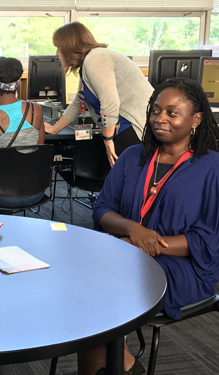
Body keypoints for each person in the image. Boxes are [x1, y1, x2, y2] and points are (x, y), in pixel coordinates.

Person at [84, 77, 219, 375]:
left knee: (94, 301)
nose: (160, 118)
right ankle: (124, 364)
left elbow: (210, 240)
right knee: (86, 294)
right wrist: (134, 231)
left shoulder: (212, 168)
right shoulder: (133, 157)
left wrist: (147, 245)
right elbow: (103, 209)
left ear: (195, 119)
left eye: (172, 112)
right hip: (125, 254)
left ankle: (125, 365)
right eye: (155, 110)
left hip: (181, 266)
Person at [46, 22, 154, 167]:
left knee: (129, 181)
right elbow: (79, 101)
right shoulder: (89, 61)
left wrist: (108, 139)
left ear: (70, 46)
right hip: (122, 128)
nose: (57, 54)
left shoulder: (96, 58)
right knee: (122, 180)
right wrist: (54, 129)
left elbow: (110, 102)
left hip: (133, 128)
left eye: (59, 48)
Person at [0, 57, 45, 208]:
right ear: (18, 83)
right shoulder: (37, 110)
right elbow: (39, 150)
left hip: (1, 196)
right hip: (36, 191)